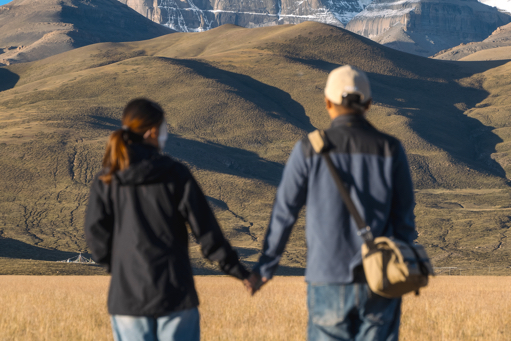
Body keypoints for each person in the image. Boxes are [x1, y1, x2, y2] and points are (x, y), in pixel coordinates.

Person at [246, 65, 416, 341]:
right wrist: (404, 260)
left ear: (327, 103)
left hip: (326, 276)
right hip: (381, 277)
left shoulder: (308, 149)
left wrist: (265, 267)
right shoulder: (390, 148)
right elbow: (404, 217)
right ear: (369, 104)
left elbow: (284, 213)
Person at [85, 98, 250, 341]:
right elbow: (206, 232)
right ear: (152, 131)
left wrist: (119, 268)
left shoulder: (107, 180)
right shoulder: (176, 174)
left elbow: (95, 235)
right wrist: (240, 272)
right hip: (175, 295)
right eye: (163, 128)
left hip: (127, 299)